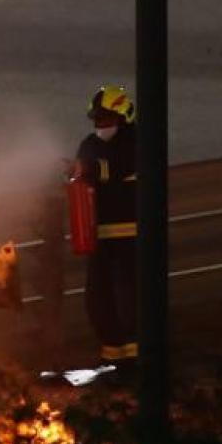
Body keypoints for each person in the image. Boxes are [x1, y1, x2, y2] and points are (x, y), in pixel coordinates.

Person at [73, 85, 138, 366]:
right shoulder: (90, 144)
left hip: (133, 235)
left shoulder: (137, 142)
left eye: (107, 119)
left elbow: (117, 167)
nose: (101, 125)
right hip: (99, 237)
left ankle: (137, 361)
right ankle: (113, 358)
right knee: (98, 300)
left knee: (131, 299)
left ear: (124, 117)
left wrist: (86, 169)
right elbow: (83, 177)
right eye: (97, 120)